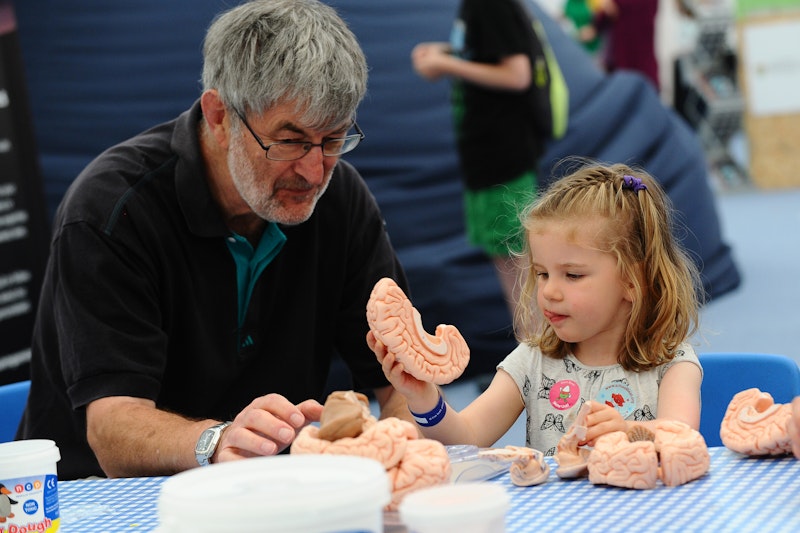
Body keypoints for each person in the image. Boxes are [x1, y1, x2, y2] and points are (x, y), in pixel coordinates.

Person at [17, 0, 412, 480]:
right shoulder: (111, 209)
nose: (313, 172)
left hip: (270, 491)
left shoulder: (343, 200)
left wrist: (399, 454)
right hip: (97, 502)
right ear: (220, 115)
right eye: (289, 141)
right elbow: (112, 431)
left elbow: (398, 384)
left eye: (334, 140)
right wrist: (217, 440)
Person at [370, 162, 703, 456]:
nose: (549, 291)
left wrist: (628, 432)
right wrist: (423, 398)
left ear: (633, 281)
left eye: (572, 275)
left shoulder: (671, 363)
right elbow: (467, 438)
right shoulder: (532, 361)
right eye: (542, 273)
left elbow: (681, 441)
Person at [410, 0, 553, 326]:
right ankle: (531, 357)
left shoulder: (490, 5)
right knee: (508, 263)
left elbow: (517, 75)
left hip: (504, 159)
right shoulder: (477, 7)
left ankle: (540, 362)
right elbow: (487, 49)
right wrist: (445, 53)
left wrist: (447, 65)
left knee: (519, 267)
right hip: (486, 160)